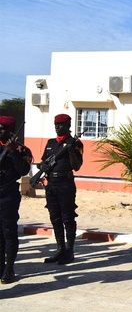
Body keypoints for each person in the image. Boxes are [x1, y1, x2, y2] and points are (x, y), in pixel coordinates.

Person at [40, 113, 83, 265]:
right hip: (51, 184)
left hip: (65, 184)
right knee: (55, 217)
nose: (58, 127)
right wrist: (42, 166)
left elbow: (76, 166)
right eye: (56, 124)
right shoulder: (51, 143)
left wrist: (71, 150)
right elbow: (43, 161)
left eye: (61, 125)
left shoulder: (75, 143)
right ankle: (60, 249)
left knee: (67, 217)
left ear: (68, 126)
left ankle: (69, 251)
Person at [0, 115, 33, 284]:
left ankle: (9, 269)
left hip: (8, 197)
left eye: (3, 128)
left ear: (11, 131)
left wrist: (12, 151)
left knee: (8, 233)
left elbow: (23, 170)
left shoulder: (21, 150)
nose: (0, 131)